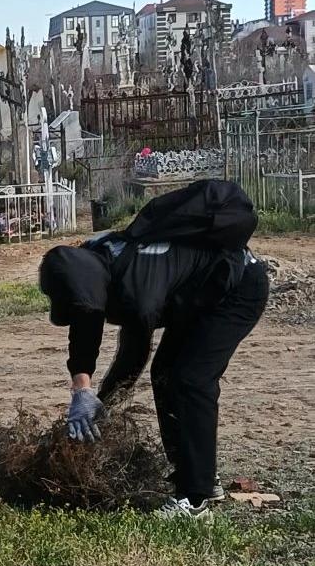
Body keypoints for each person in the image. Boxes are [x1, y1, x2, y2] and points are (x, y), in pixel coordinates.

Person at [39, 185, 269, 519]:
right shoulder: (96, 254)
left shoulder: (135, 290)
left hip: (237, 289)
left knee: (190, 380)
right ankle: (197, 473)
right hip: (200, 292)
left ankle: (195, 499)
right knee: (166, 375)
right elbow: (85, 322)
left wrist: (103, 403)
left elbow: (133, 356)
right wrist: (84, 391)